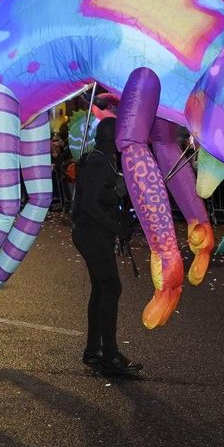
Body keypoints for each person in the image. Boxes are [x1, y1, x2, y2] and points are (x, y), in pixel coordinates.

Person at [71, 117, 142, 378]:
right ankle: (110, 354)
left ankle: (94, 351)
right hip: (91, 235)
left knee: (102, 289)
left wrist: (122, 193)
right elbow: (89, 204)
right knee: (111, 286)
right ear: (110, 137)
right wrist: (117, 227)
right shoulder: (99, 161)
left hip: (94, 233)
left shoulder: (103, 159)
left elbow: (105, 196)